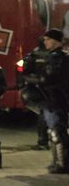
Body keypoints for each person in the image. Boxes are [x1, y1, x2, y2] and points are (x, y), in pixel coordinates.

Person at [35, 28, 69, 174]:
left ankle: (62, 163)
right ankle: (57, 162)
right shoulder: (55, 56)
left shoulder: (58, 58)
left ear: (56, 41)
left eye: (48, 39)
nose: (45, 42)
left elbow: (49, 78)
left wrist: (35, 79)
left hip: (56, 99)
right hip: (52, 99)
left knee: (57, 132)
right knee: (54, 131)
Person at [20, 41, 52, 150]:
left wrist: (26, 78)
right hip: (48, 91)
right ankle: (45, 141)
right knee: (47, 113)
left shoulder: (32, 56)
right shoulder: (58, 56)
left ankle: (43, 142)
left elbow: (19, 67)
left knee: (44, 113)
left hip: (35, 90)